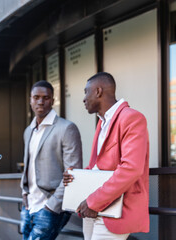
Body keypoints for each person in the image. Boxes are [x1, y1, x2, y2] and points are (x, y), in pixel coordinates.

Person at [64, 72, 149, 240]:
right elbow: (98, 167)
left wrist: (94, 201)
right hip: (93, 208)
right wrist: (76, 177)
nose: (84, 99)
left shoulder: (132, 118)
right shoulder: (103, 122)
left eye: (86, 92)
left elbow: (131, 169)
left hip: (116, 210)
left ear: (98, 91)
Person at [20, 80, 83, 240]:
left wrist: (52, 206)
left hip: (49, 206)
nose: (40, 101)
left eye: (45, 98)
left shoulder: (66, 128)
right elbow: (28, 165)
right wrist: (24, 193)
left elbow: (73, 171)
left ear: (52, 101)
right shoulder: (29, 130)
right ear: (30, 100)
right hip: (29, 206)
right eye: (36, 97)